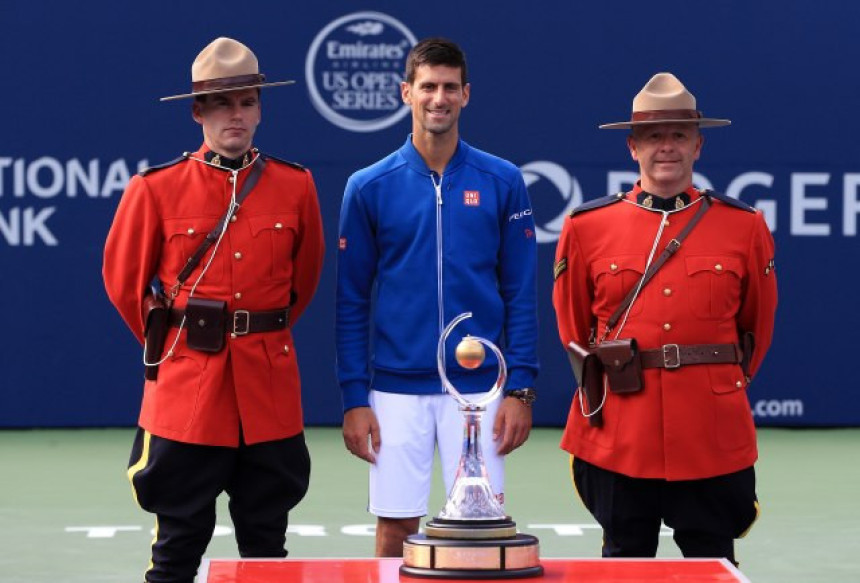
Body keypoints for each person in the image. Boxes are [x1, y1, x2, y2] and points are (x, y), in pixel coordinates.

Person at [103, 37, 324, 583]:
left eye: (247, 101)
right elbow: (124, 283)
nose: (237, 115)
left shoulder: (295, 186)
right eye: (223, 104)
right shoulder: (155, 189)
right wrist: (175, 340)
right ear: (198, 111)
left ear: (260, 108)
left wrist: (255, 335)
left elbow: (304, 281)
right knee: (177, 547)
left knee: (266, 548)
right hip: (188, 391)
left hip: (267, 389)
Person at [552, 72, 777, 564]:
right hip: (622, 426)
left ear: (699, 146)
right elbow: (574, 328)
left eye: (679, 135)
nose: (667, 147)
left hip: (708, 425)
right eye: (654, 136)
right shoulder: (587, 227)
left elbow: (756, 328)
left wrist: (718, 382)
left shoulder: (743, 226)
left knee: (711, 557)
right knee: (625, 557)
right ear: (633, 147)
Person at [336, 37, 539, 557]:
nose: (438, 98)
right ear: (407, 92)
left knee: (480, 535)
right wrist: (356, 399)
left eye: (450, 87)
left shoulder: (503, 180)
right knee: (395, 532)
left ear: (466, 94)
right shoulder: (368, 186)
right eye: (428, 86)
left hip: (479, 393)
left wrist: (518, 389)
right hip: (396, 392)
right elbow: (352, 301)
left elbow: (521, 293)